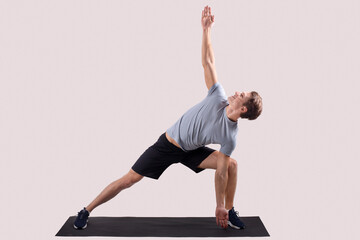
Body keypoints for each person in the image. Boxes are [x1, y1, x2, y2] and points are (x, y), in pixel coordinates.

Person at [73, 5, 263, 230]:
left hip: (192, 151)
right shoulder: (217, 97)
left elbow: (221, 171)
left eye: (243, 95)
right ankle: (86, 210)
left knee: (232, 165)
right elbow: (208, 62)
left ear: (243, 110)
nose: (238, 92)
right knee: (130, 179)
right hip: (169, 144)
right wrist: (206, 30)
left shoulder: (231, 136)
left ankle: (229, 212)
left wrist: (219, 205)